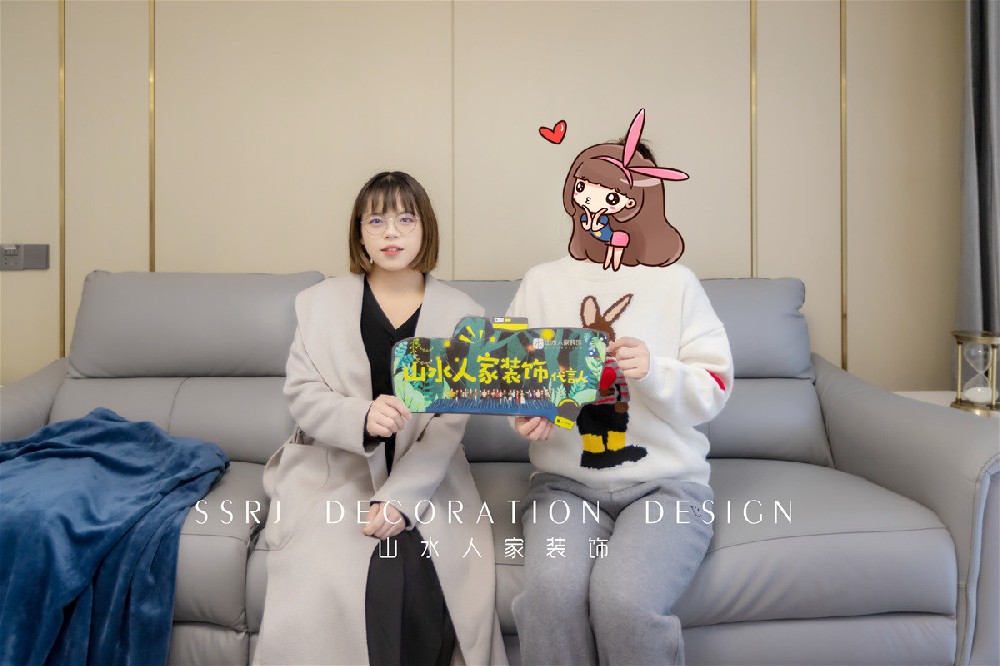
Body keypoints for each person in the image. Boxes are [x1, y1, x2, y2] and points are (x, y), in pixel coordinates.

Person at [507, 110, 734, 665]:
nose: (603, 203)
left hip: (667, 490)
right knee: (548, 599)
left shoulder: (678, 284)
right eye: (594, 186)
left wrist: (653, 369)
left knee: (624, 603)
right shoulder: (541, 282)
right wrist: (529, 411)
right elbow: (509, 373)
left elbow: (715, 385)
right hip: (564, 487)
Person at [254, 171, 507, 666]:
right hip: (336, 469)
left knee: (417, 570)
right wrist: (361, 416)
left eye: (406, 220)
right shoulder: (318, 304)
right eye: (377, 221)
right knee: (332, 572)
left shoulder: (465, 316)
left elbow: (447, 425)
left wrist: (400, 499)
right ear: (360, 233)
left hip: (428, 477)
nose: (391, 233)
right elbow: (303, 395)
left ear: (425, 228)